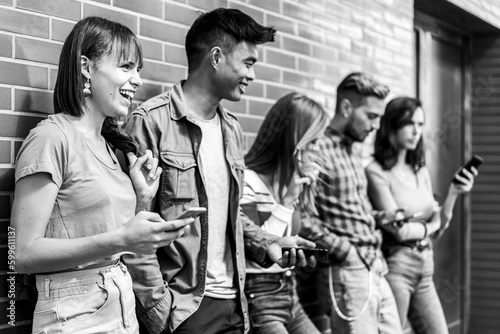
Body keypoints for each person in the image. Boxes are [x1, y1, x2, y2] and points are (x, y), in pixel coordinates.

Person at [122, 8, 316, 334]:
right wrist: (159, 311)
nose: (252, 76)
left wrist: (266, 243)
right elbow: (130, 225)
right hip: (184, 310)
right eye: (248, 63)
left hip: (234, 305)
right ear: (216, 57)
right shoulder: (150, 122)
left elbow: (229, 215)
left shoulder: (232, 129)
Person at [11, 17, 192, 334]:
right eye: (126, 67)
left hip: (120, 304)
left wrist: (143, 200)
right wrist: (121, 239)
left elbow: (111, 241)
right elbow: (20, 254)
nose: (136, 80)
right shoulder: (52, 138)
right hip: (74, 314)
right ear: (85, 67)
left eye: (138, 70)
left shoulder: (113, 148)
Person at [300, 72, 404, 334]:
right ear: (347, 108)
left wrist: (381, 218)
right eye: (371, 116)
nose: (377, 125)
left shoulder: (352, 148)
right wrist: (346, 251)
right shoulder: (316, 149)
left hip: (376, 265)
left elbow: (351, 208)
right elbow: (301, 217)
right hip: (348, 270)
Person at [365, 97, 476, 334]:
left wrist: (453, 194)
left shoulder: (420, 170)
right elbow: (401, 230)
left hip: (426, 266)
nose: (417, 131)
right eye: (410, 124)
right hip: (397, 265)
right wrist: (429, 226)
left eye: (420, 124)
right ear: (391, 126)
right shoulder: (375, 172)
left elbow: (440, 225)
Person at [241, 92, 329, 334]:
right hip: (259, 294)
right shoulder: (248, 180)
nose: (316, 150)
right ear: (293, 140)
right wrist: (288, 201)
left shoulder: (289, 181)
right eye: (311, 142)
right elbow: (260, 247)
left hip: (290, 292)